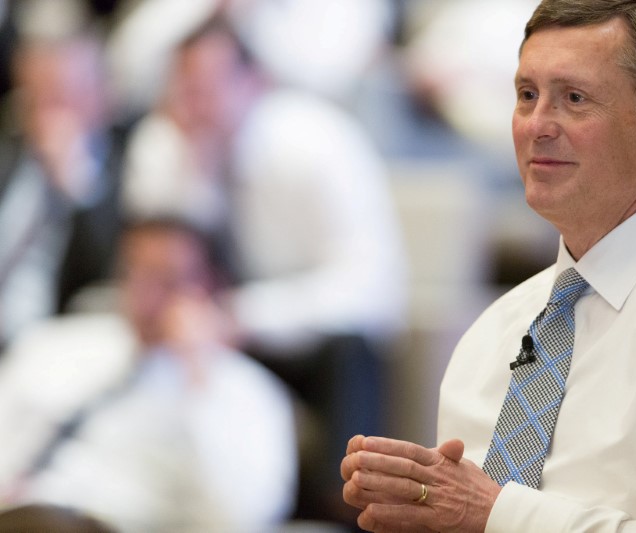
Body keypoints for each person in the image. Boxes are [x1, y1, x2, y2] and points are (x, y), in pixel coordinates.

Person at [341, 1, 636, 531]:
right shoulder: (494, 332)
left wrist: (496, 514)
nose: (536, 126)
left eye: (574, 99)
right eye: (526, 95)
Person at [121, 14, 406, 526]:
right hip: (210, 329)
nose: (192, 104)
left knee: (351, 351)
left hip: (310, 339)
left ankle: (347, 515)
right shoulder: (163, 149)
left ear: (254, 82)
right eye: (182, 87)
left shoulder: (316, 143)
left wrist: (244, 316)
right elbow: (147, 263)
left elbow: (372, 290)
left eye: (207, 86)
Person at [0, 217, 297, 532]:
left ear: (211, 288)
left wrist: (198, 379)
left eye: (166, 279)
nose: (145, 294)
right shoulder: (54, 344)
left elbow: (241, 518)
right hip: (21, 511)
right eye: (133, 273)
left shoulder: (245, 392)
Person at [0, 26, 128, 349]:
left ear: (103, 95)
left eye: (63, 95)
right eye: (37, 95)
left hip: (58, 344)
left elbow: (107, 276)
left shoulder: (127, 163)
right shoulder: (9, 152)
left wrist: (77, 182)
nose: (48, 112)